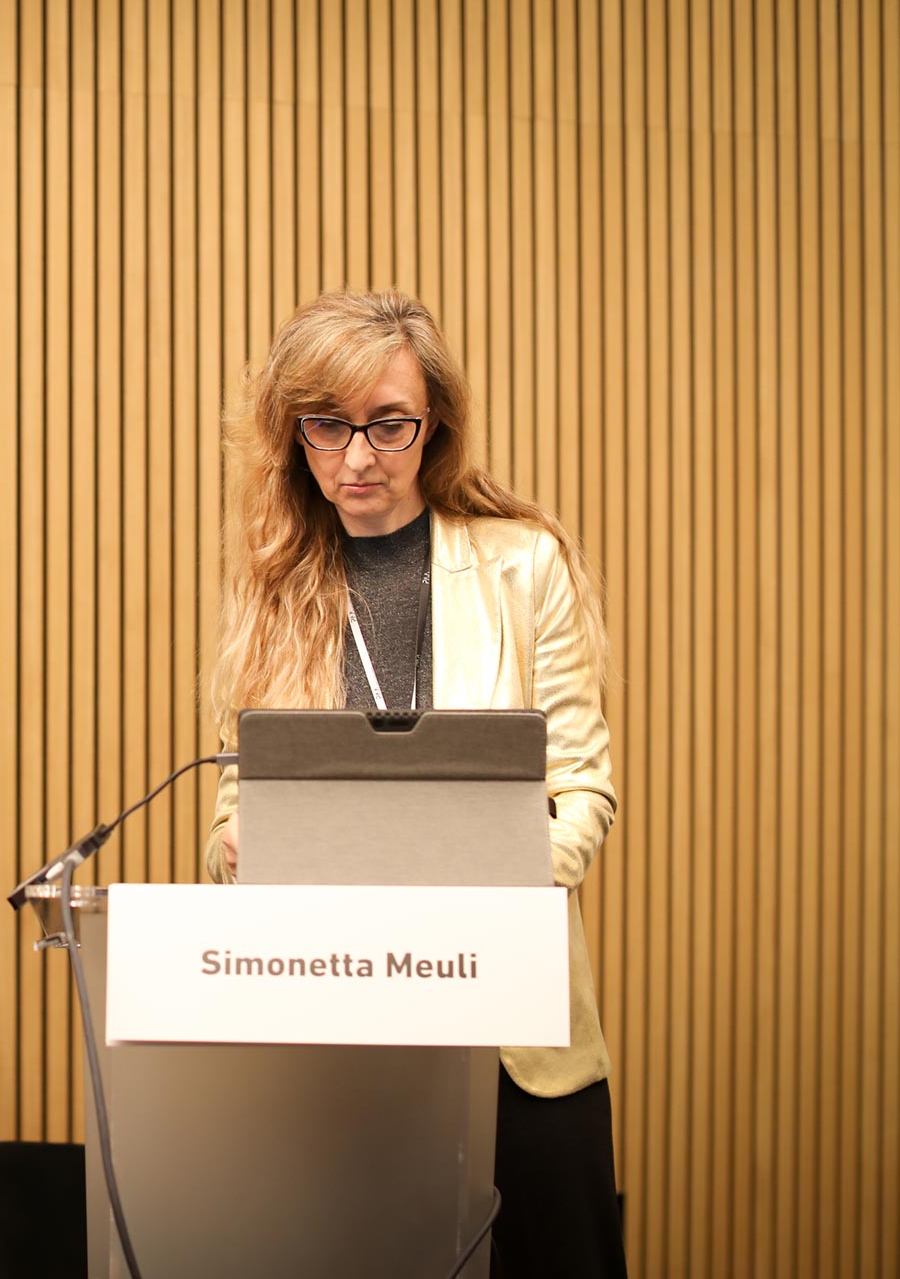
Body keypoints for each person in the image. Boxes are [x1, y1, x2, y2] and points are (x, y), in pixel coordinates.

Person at [204, 290, 627, 1276]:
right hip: (343, 1024)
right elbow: (230, 816)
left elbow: (584, 793)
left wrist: (485, 870)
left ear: (434, 422)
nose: (358, 457)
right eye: (328, 426)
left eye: (388, 424)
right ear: (293, 433)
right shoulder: (272, 592)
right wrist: (237, 850)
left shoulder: (525, 565)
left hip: (513, 1029)